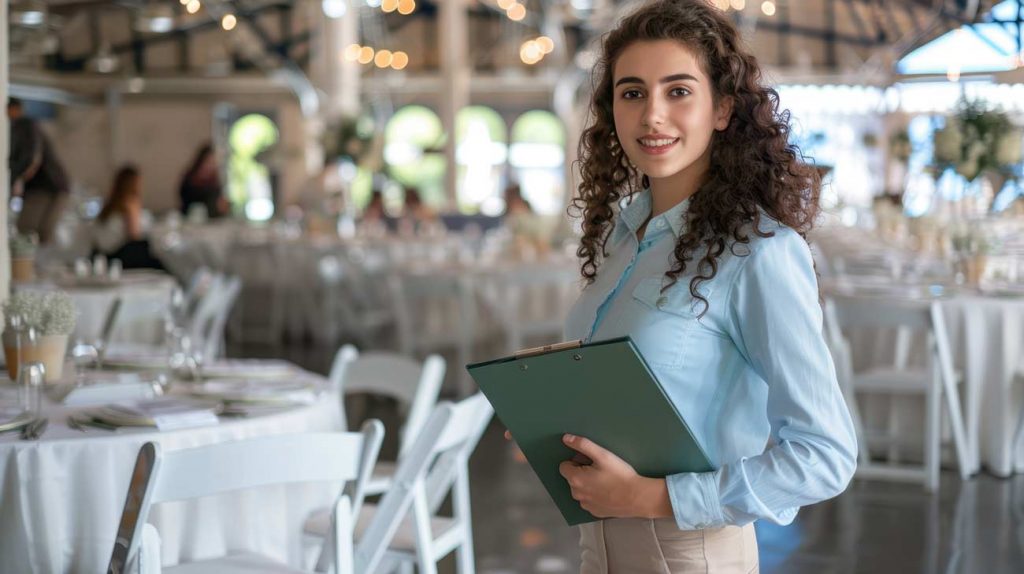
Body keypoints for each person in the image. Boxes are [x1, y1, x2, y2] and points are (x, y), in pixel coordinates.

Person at [507, 2, 858, 571]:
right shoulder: (620, 238)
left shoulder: (760, 252)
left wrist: (655, 497)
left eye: (678, 91)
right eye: (632, 93)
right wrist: (548, 416)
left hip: (688, 553)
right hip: (596, 546)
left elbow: (825, 456)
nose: (652, 116)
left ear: (722, 108)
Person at [7, 98, 70, 244]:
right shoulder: (28, 126)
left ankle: (28, 265)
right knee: (41, 235)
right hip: (55, 185)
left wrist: (14, 179)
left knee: (25, 232)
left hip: (44, 187)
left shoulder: (24, 125)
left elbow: (31, 159)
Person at [94, 166, 163, 270]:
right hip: (120, 255)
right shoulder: (130, 203)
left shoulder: (110, 205)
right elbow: (134, 233)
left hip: (103, 254)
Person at [179, 143, 228, 219]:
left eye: (214, 162)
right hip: (190, 218)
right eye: (209, 161)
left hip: (212, 220)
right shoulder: (190, 178)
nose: (212, 165)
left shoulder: (214, 181)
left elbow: (219, 205)